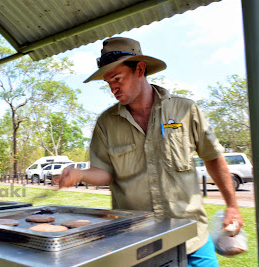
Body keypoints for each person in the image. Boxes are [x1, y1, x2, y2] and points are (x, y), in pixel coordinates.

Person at [58, 37, 243, 266]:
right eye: (108, 82)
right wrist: (81, 174)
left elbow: (213, 157)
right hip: (139, 242)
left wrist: (232, 206)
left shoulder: (185, 109)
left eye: (117, 79)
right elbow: (105, 172)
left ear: (140, 69)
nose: (113, 88)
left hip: (192, 237)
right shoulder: (106, 123)